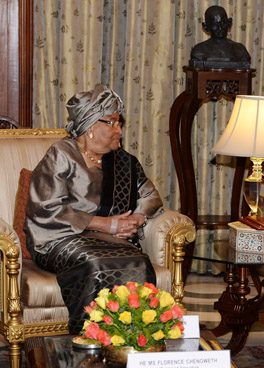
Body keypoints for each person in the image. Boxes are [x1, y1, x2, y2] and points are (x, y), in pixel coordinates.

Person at [24, 84, 163, 335]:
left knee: (138, 261)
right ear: (90, 127)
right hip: (56, 239)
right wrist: (107, 224)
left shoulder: (124, 161)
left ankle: (132, 340)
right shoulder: (62, 154)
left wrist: (137, 218)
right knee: (96, 263)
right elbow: (46, 208)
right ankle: (91, 340)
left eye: (119, 122)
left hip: (110, 240)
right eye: (112, 122)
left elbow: (150, 196)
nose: (119, 130)